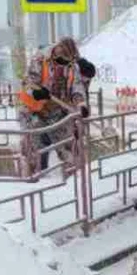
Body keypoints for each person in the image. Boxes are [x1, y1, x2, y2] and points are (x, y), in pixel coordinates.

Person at [18, 37, 89, 176]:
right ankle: (36, 181)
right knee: (36, 152)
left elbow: (77, 86)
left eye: (68, 60)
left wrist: (80, 104)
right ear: (56, 52)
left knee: (70, 149)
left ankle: (75, 182)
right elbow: (27, 82)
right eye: (62, 59)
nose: (65, 63)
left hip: (58, 112)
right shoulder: (40, 60)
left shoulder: (71, 65)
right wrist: (36, 92)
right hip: (33, 112)